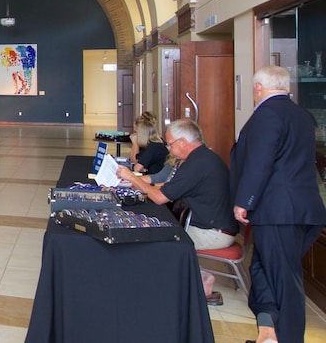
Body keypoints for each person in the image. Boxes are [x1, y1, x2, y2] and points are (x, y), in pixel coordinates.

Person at [231, 65, 326, 343]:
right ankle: (268, 330)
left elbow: (260, 163)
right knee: (262, 267)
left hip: (278, 211)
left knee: (284, 278)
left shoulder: (267, 114)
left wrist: (244, 201)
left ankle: (289, 337)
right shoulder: (302, 115)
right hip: (301, 209)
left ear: (258, 88)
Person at [118, 119, 238, 305]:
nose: (169, 148)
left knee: (157, 239)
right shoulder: (201, 158)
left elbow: (160, 198)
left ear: (183, 142)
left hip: (213, 233)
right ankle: (199, 277)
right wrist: (138, 185)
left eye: (171, 144)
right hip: (211, 225)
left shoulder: (197, 164)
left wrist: (133, 178)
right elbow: (169, 187)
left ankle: (180, 283)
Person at [128, 111, 169, 178]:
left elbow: (136, 169)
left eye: (136, 132)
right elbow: (133, 161)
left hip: (155, 181)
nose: (134, 134)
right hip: (149, 177)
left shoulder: (154, 146)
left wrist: (135, 144)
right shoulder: (147, 145)